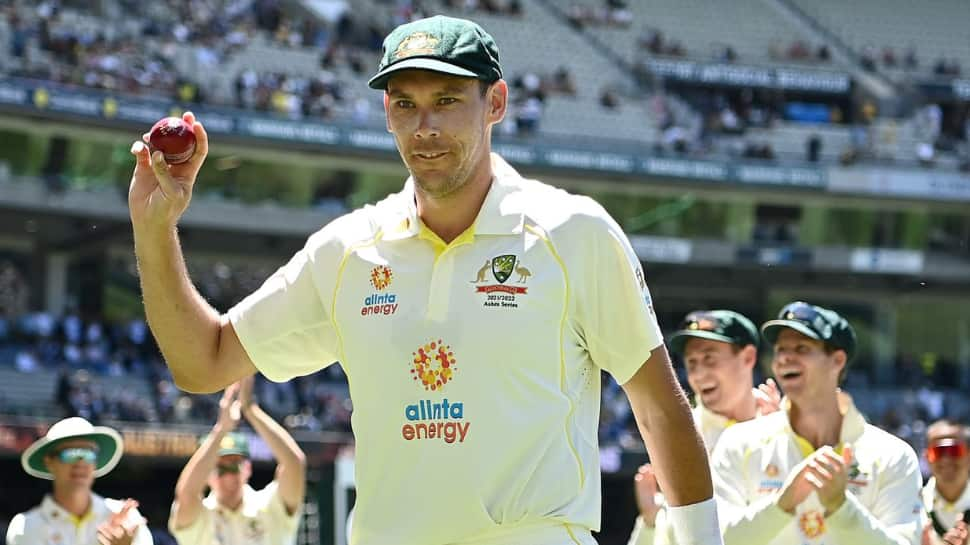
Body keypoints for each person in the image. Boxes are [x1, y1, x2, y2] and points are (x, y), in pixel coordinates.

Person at [128, 15, 722, 545]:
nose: (425, 126)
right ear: (387, 113)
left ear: (496, 103)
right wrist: (154, 230)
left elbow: (659, 411)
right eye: (405, 104)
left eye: (447, 99)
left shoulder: (573, 232)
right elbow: (203, 362)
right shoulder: (348, 250)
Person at [710, 301, 923, 544]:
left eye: (801, 348)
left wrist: (841, 509)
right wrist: (781, 505)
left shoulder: (892, 455)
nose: (784, 359)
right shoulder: (739, 443)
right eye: (780, 349)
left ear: (837, 360)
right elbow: (716, 539)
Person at [628, 310, 779, 545]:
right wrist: (649, 521)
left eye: (710, 359)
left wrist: (780, 439)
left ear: (748, 357)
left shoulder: (780, 426)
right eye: (692, 363)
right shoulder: (678, 435)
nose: (699, 374)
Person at [168, 376, 306, 545]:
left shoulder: (269, 506)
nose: (229, 477)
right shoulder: (201, 516)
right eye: (221, 469)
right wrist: (221, 429)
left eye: (235, 467)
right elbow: (186, 494)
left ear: (248, 468)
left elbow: (294, 464)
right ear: (207, 475)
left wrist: (250, 409)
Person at [6, 417, 152, 545]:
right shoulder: (26, 526)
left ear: (95, 463)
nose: (80, 462)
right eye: (71, 454)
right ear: (49, 462)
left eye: (88, 454)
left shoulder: (126, 519)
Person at [921, 419, 970, 545]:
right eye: (938, 451)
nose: (946, 460)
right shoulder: (913, 506)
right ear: (927, 457)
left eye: (954, 450)